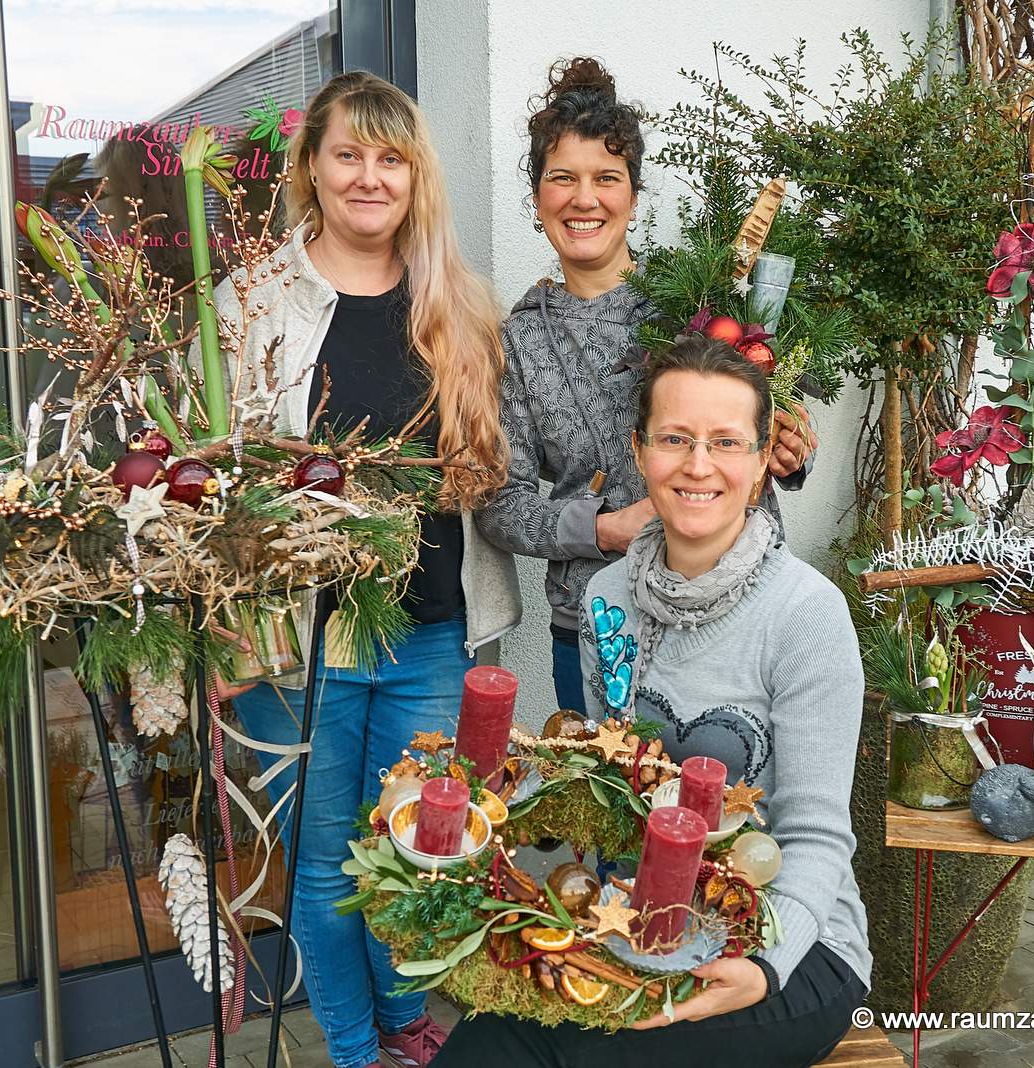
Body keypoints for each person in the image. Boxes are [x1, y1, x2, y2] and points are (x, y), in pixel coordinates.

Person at [202, 71, 521, 1068]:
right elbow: (200, 488)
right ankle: (354, 1047)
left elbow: (498, 471)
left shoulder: (461, 306)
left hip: (429, 633)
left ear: (414, 174)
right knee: (325, 875)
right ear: (312, 168)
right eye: (349, 154)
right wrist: (222, 632)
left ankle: (401, 1027)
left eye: (391, 158)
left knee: (416, 862)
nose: (369, 177)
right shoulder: (250, 303)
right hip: (298, 647)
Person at [438, 335, 869, 1067]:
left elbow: (819, 835)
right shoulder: (609, 600)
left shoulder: (806, 616)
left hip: (791, 956)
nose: (698, 465)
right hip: (653, 928)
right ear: (640, 453)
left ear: (764, 462)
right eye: (675, 439)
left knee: (517, 1053)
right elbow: (617, 794)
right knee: (489, 1033)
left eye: (726, 442)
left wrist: (763, 969)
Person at [475, 58, 818, 716]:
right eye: (562, 179)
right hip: (596, 620)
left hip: (732, 602)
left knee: (731, 805)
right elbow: (500, 506)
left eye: (607, 178)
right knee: (614, 803)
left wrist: (790, 449)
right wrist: (604, 529)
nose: (585, 199)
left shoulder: (699, 298)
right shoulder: (517, 341)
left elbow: (762, 423)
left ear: (632, 193)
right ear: (538, 196)